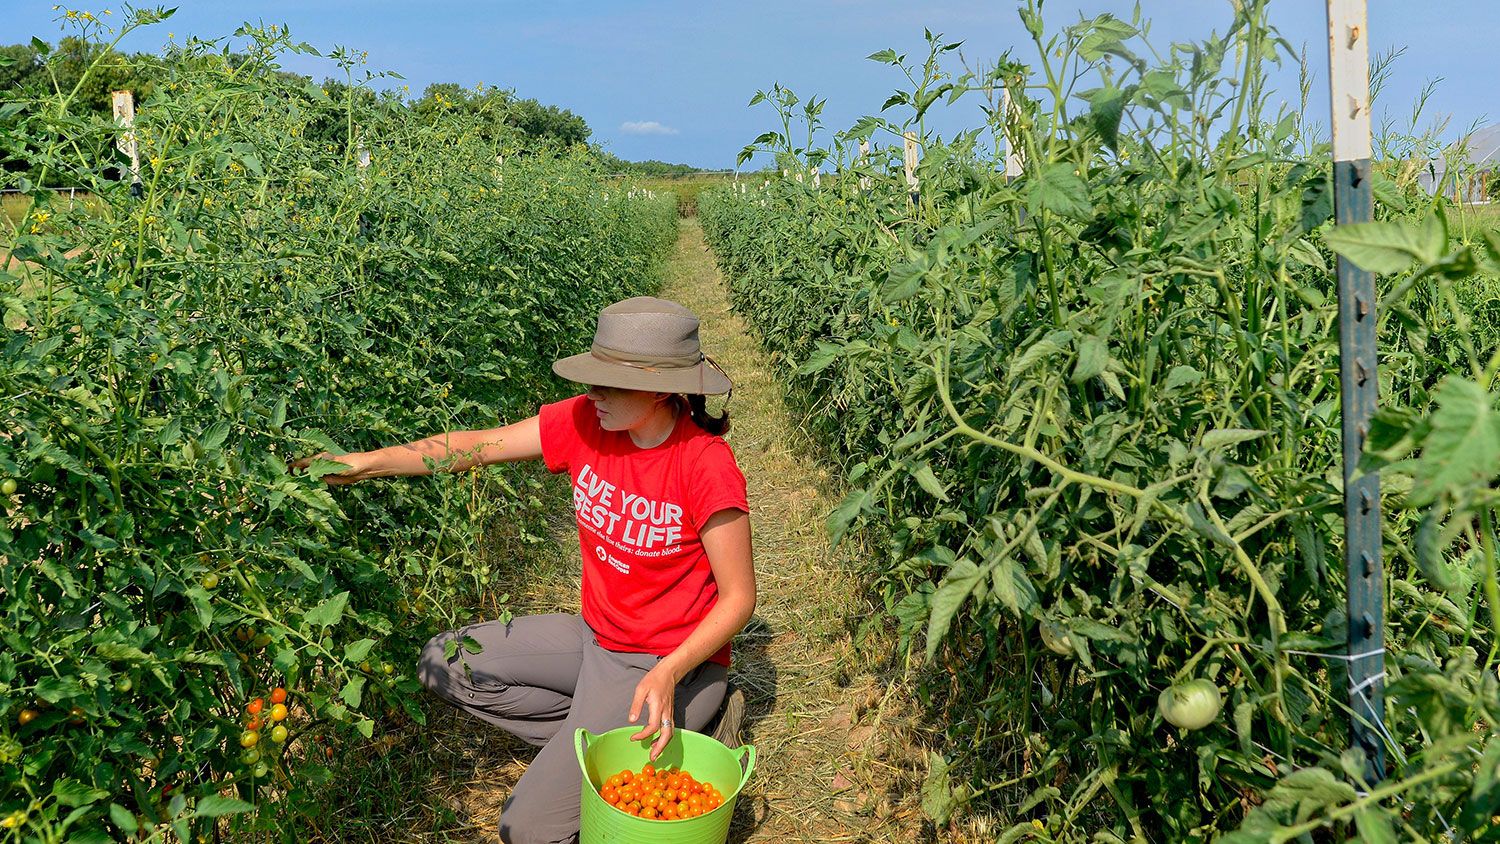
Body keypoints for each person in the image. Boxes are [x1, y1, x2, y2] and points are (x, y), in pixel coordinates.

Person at [299, 297, 754, 844]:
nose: (593, 393)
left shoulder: (704, 465)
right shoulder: (585, 422)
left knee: (528, 830)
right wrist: (367, 463)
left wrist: (669, 671)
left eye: (609, 383)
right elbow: (475, 448)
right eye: (593, 378)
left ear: (662, 388)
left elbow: (738, 600)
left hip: (662, 665)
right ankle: (592, 739)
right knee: (444, 663)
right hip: (594, 640)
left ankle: (687, 716)